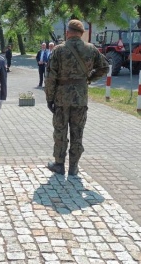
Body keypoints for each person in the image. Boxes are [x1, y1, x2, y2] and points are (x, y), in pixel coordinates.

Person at [45, 19, 109, 176]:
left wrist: (49, 98)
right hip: (80, 98)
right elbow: (104, 67)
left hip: (61, 98)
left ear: (68, 32)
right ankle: (73, 166)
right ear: (81, 34)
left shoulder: (59, 50)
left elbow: (51, 77)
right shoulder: (91, 49)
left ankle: (59, 165)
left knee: (60, 131)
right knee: (77, 132)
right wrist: (89, 79)